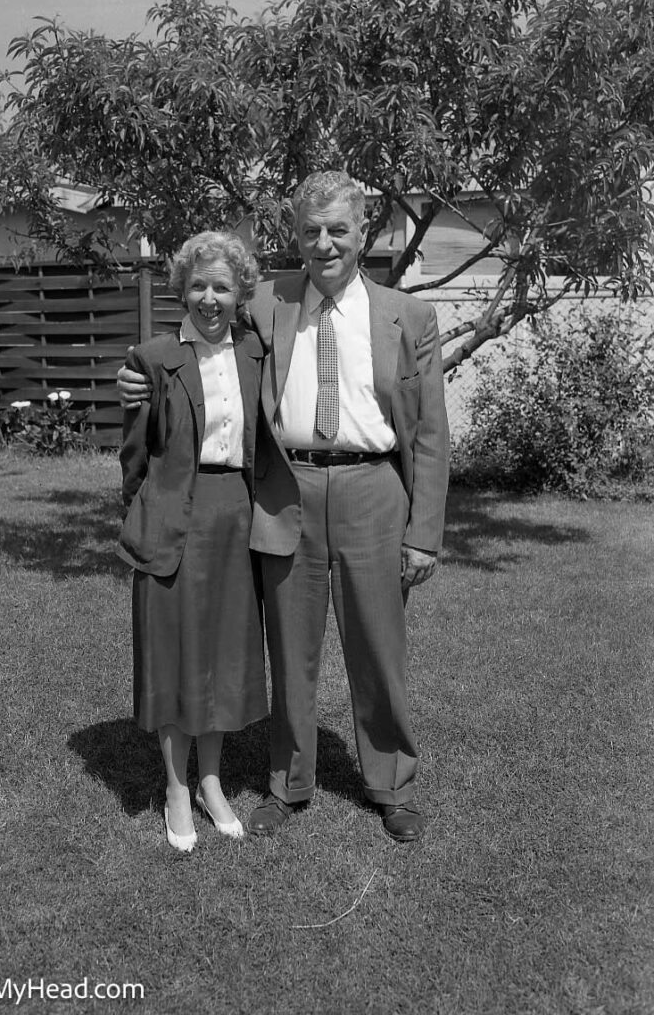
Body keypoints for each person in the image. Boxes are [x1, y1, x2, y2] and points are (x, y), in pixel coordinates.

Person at [118, 172, 449, 843]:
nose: (324, 244)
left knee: (378, 647)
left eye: (337, 230)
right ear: (294, 236)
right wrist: (138, 376)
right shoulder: (266, 302)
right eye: (309, 231)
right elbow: (199, 332)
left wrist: (423, 534)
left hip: (372, 488)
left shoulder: (408, 316)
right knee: (288, 649)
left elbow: (430, 434)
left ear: (365, 233)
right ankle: (287, 783)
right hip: (284, 488)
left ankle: (390, 784)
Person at [116, 230, 267, 853]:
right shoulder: (151, 358)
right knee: (176, 654)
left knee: (224, 654)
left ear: (240, 295)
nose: (210, 298)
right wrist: (142, 512)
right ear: (182, 288)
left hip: (237, 516)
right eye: (199, 285)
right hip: (173, 514)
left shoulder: (259, 351)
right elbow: (132, 456)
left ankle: (212, 781)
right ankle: (176, 789)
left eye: (222, 287)